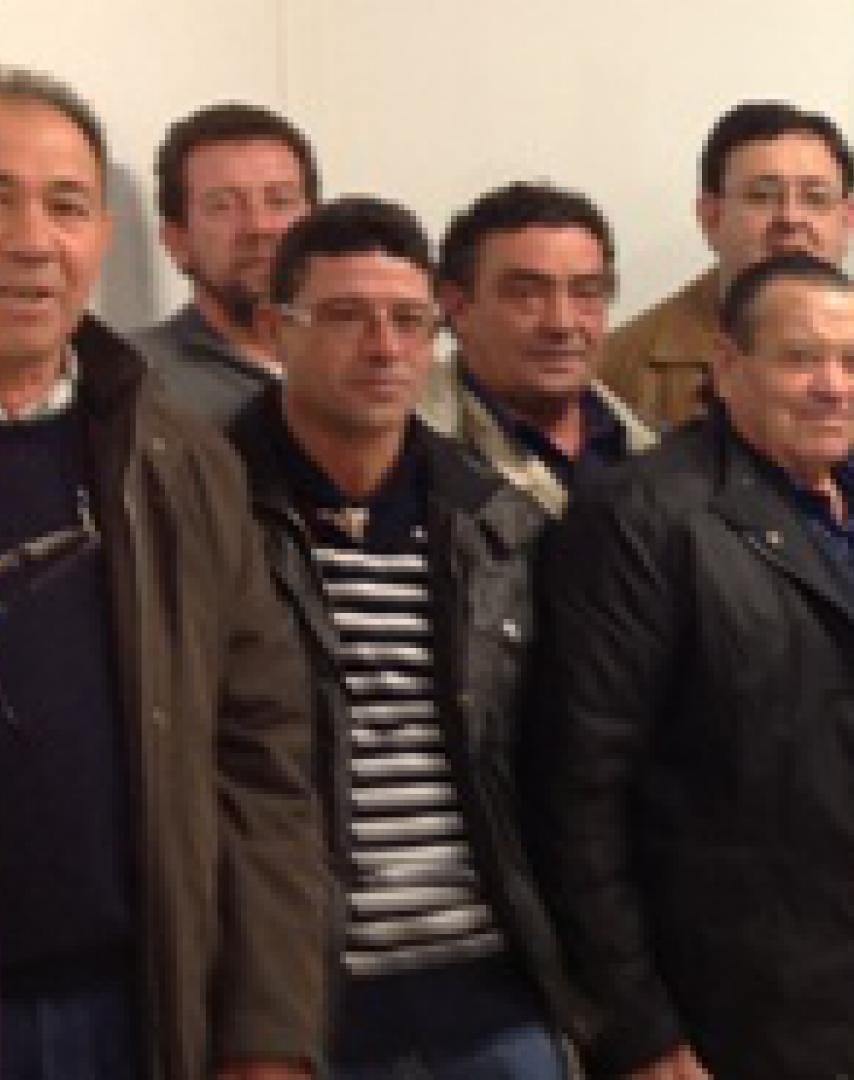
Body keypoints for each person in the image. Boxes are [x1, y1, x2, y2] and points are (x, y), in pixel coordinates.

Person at [0, 65, 329, 1078]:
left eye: (66, 206)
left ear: (102, 236)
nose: (32, 241)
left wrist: (268, 1032)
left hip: (145, 1011)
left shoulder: (178, 460)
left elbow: (260, 756)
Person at [527, 251, 854, 1079]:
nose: (834, 386)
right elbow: (575, 792)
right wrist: (636, 1024)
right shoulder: (644, 519)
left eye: (852, 362)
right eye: (801, 359)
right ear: (727, 367)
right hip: (748, 1008)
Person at [222, 196, 585, 1077]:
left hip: (497, 999)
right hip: (307, 1009)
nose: (384, 348)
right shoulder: (208, 513)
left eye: (409, 320)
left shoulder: (499, 523)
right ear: (275, 330)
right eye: (346, 317)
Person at [596, 101, 854, 509]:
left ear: (848, 220)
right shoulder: (617, 371)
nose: (791, 218)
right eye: (762, 197)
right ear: (710, 216)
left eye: (816, 198)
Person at [427, 181, 654, 513]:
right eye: (527, 294)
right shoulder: (406, 461)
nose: (561, 323)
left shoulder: (659, 449)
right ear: (457, 305)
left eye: (586, 293)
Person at [130, 101, 318, 421]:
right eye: (222, 206)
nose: (259, 227)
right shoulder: (130, 381)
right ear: (177, 241)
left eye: (280, 201)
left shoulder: (379, 361)